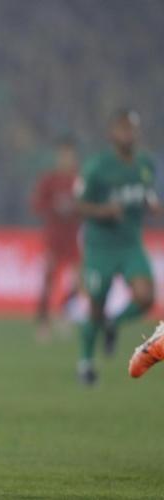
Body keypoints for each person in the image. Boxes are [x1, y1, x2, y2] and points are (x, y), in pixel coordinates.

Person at [76, 109, 159, 385]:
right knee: (96, 306)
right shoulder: (97, 167)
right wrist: (103, 211)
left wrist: (151, 205)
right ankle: (86, 364)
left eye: (132, 128)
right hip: (101, 247)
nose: (128, 134)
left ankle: (113, 324)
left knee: (146, 297)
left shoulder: (145, 164)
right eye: (123, 128)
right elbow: (79, 204)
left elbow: (146, 194)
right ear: (112, 133)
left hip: (130, 244)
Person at [30, 138, 81, 341]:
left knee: (79, 280)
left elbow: (88, 205)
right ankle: (43, 323)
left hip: (74, 237)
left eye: (69, 155)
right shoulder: (50, 180)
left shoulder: (80, 180)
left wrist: (74, 208)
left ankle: (64, 312)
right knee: (49, 279)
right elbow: (37, 205)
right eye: (63, 155)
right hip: (54, 237)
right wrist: (54, 207)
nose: (66, 159)